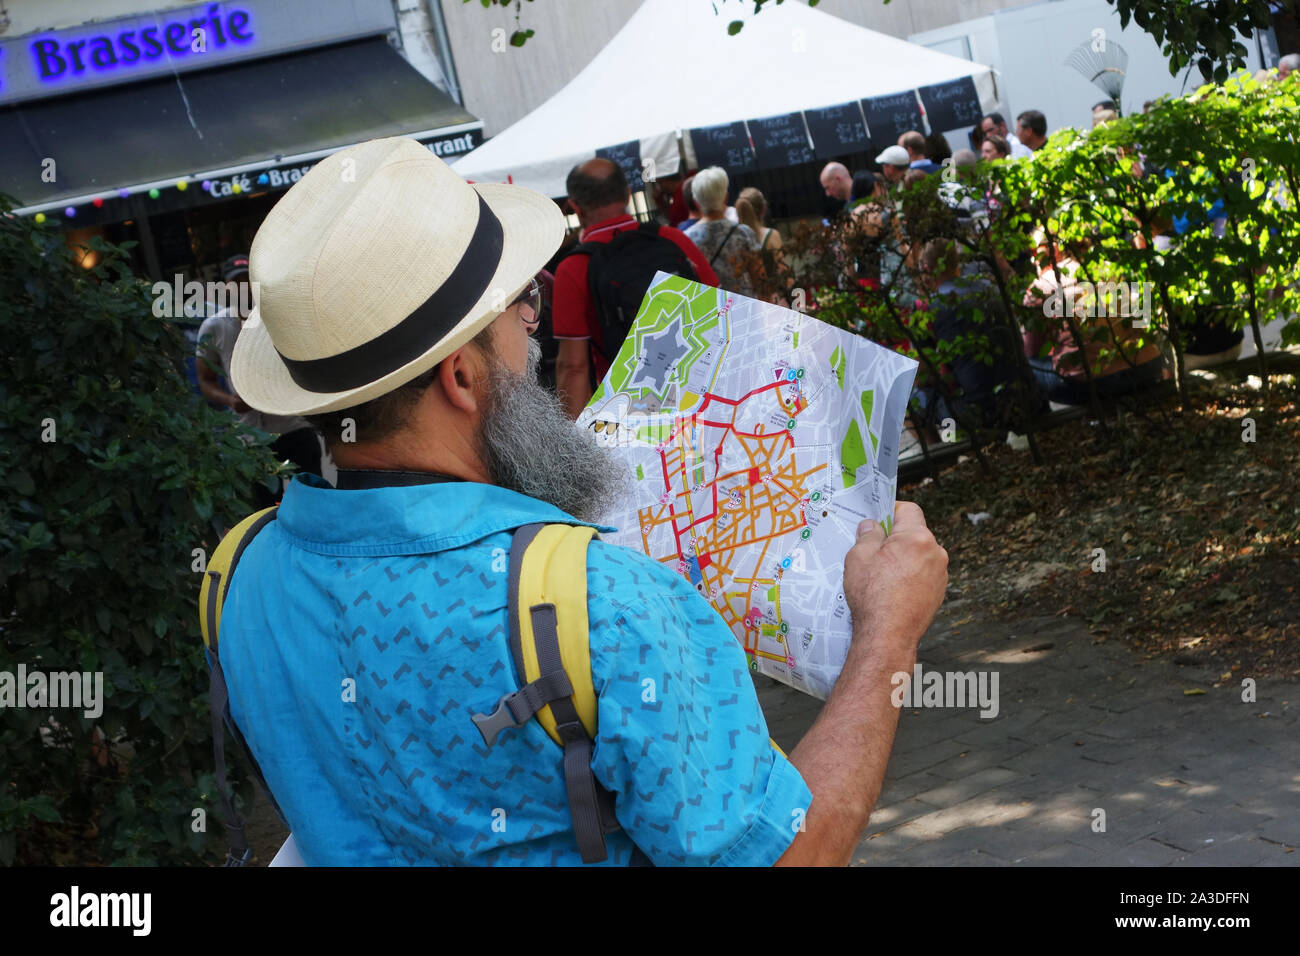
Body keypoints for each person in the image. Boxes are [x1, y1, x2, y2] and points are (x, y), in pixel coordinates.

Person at [217, 135, 950, 867]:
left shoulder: (236, 577)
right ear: (461, 377)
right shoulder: (607, 603)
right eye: (521, 308)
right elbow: (791, 856)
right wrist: (887, 632)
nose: (534, 337)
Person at [553, 158, 718, 419]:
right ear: (628, 194)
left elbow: (574, 367)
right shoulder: (672, 239)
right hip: (699, 395)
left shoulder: (573, 268)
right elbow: (721, 311)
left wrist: (570, 449)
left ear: (575, 207)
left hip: (631, 412)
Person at [196, 253, 323, 507]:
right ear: (227, 287)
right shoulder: (214, 327)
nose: (243, 287)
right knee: (264, 514)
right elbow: (205, 380)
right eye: (236, 282)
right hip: (250, 437)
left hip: (294, 426)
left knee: (315, 503)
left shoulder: (280, 318)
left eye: (247, 280)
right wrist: (230, 400)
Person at [685, 166, 761, 297]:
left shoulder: (686, 240)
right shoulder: (744, 234)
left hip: (710, 312)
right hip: (745, 309)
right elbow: (760, 280)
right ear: (726, 198)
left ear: (696, 203)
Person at [735, 185, 784, 282]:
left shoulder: (733, 239)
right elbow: (783, 270)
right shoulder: (771, 235)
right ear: (764, 210)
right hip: (772, 293)